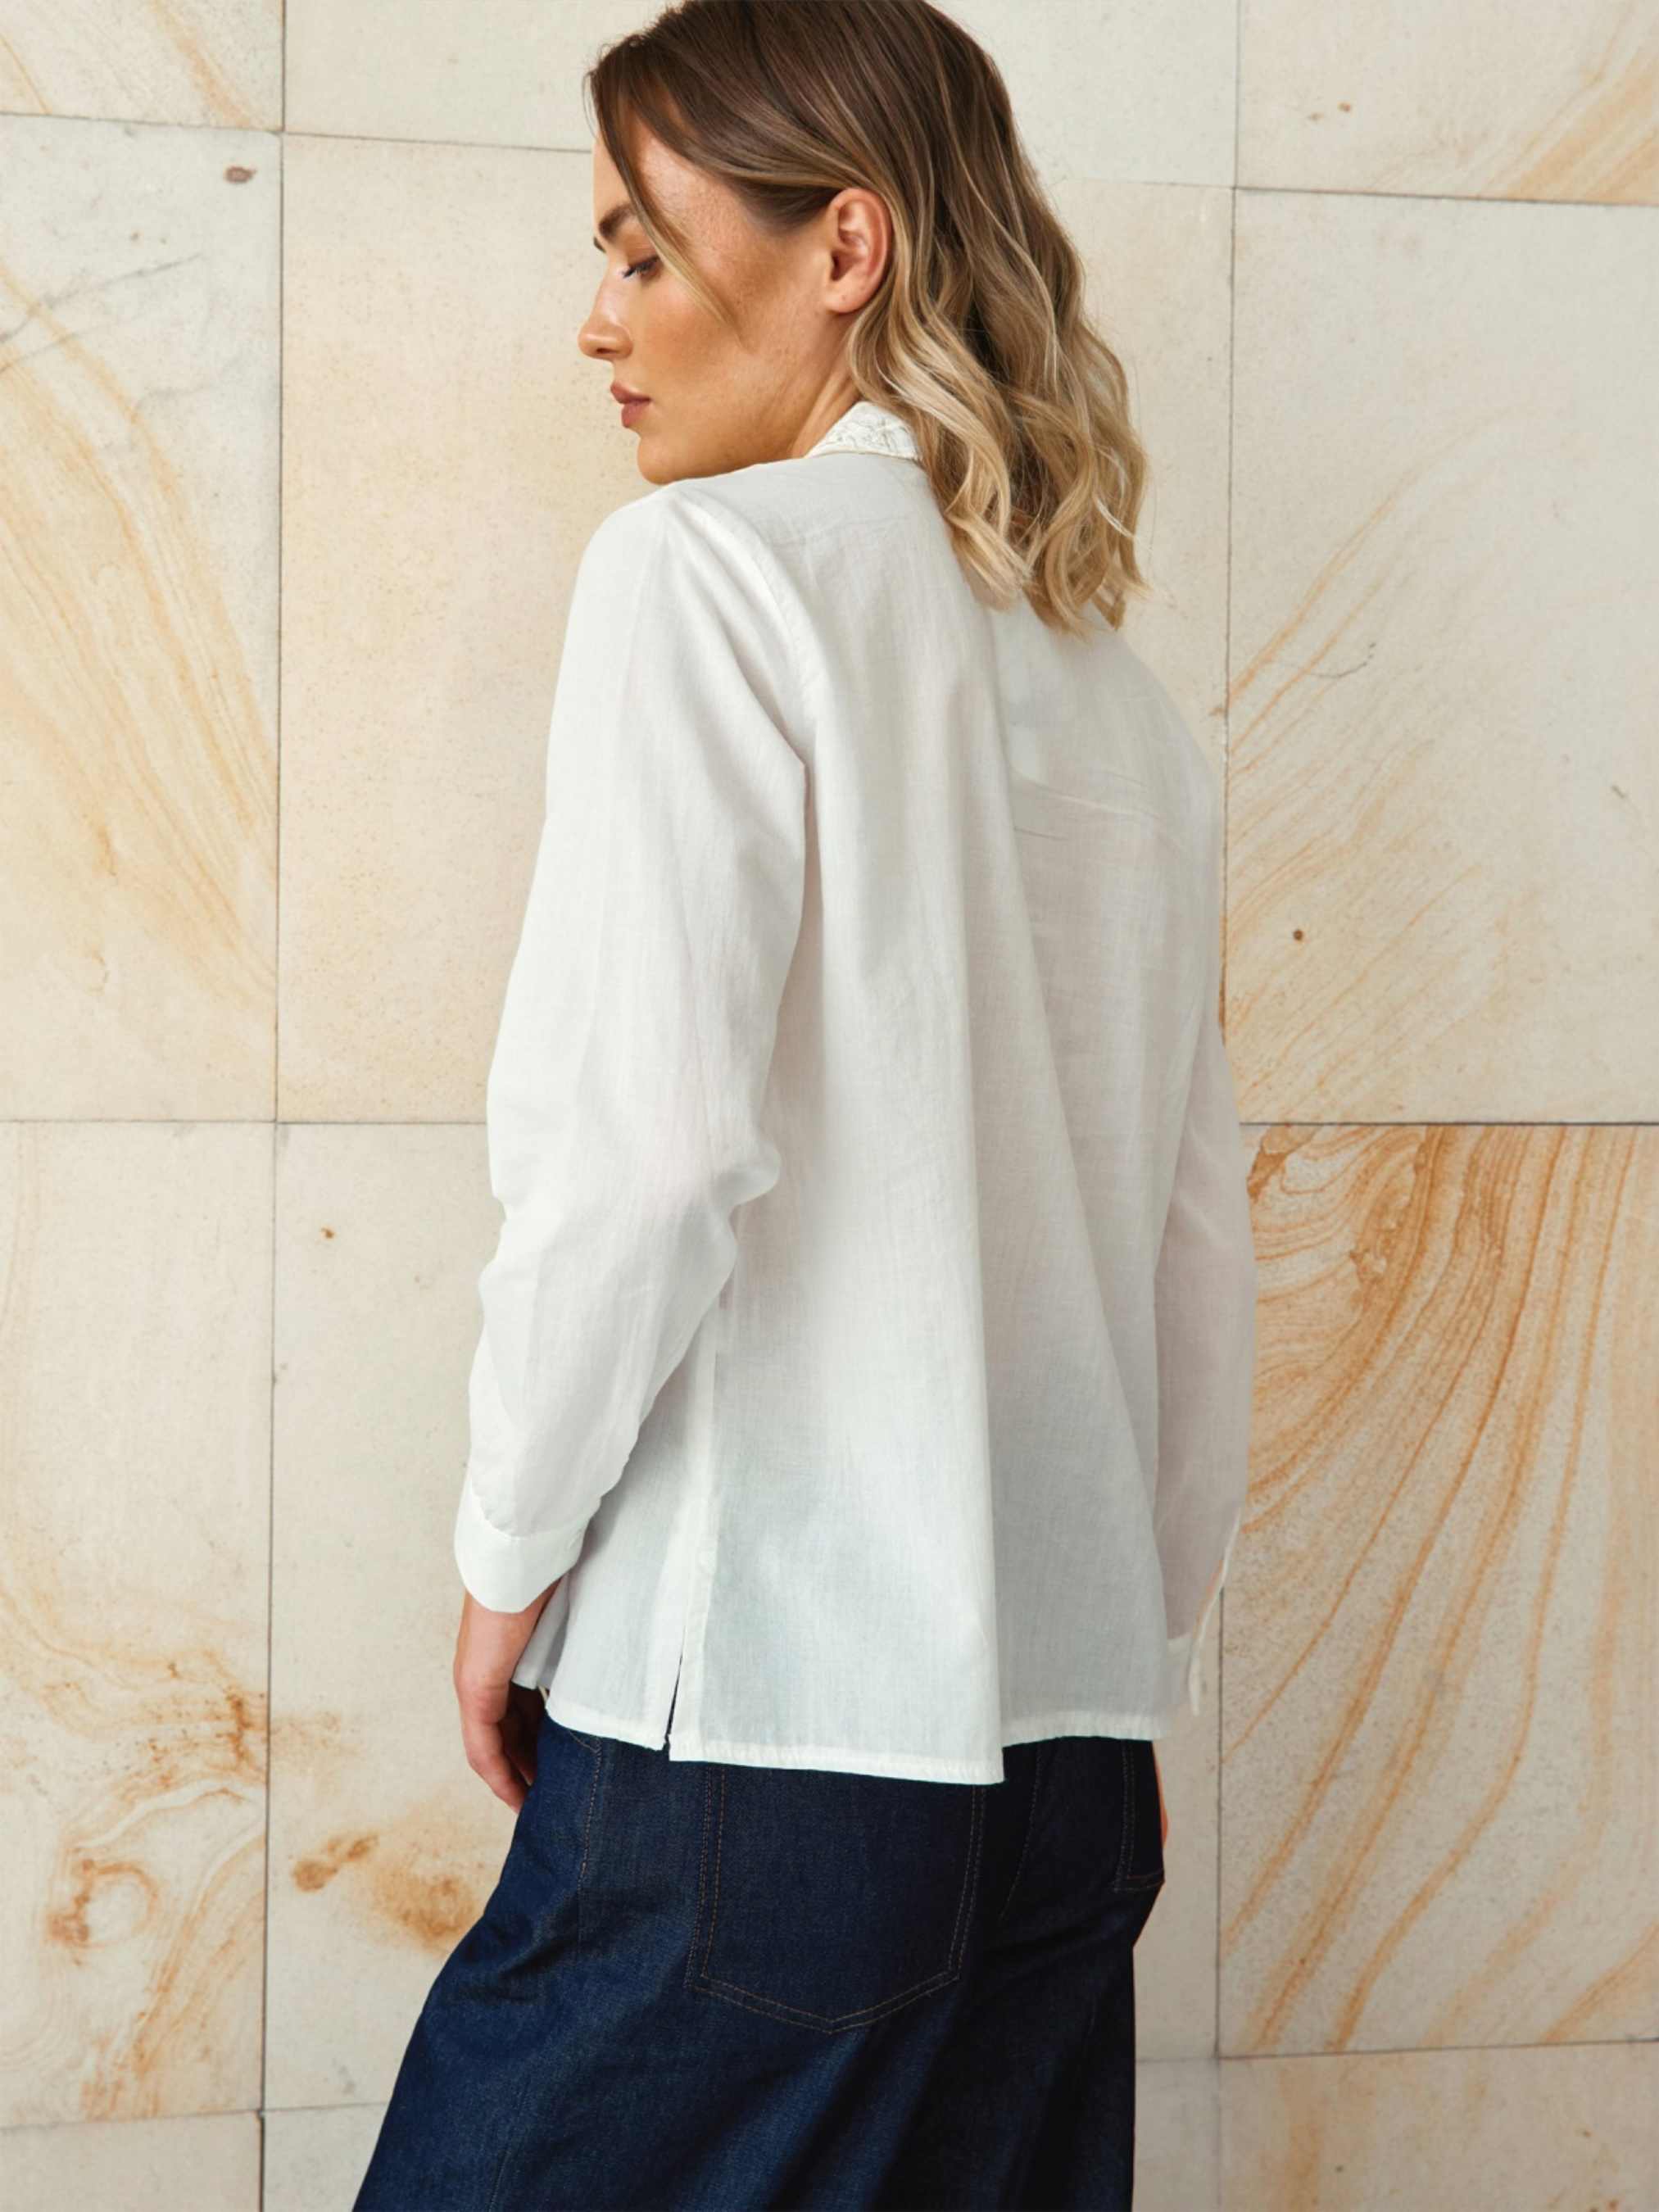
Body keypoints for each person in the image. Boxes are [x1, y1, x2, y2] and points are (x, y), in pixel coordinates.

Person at [356, 2, 1258, 2206]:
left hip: (767, 1729)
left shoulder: (709, 576)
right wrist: (1119, 1653)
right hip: (1066, 1765)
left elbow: (647, 1151)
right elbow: (1191, 1244)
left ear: (843, 246)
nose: (598, 322)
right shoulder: (1119, 702)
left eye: (640, 249)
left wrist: (506, 1554)